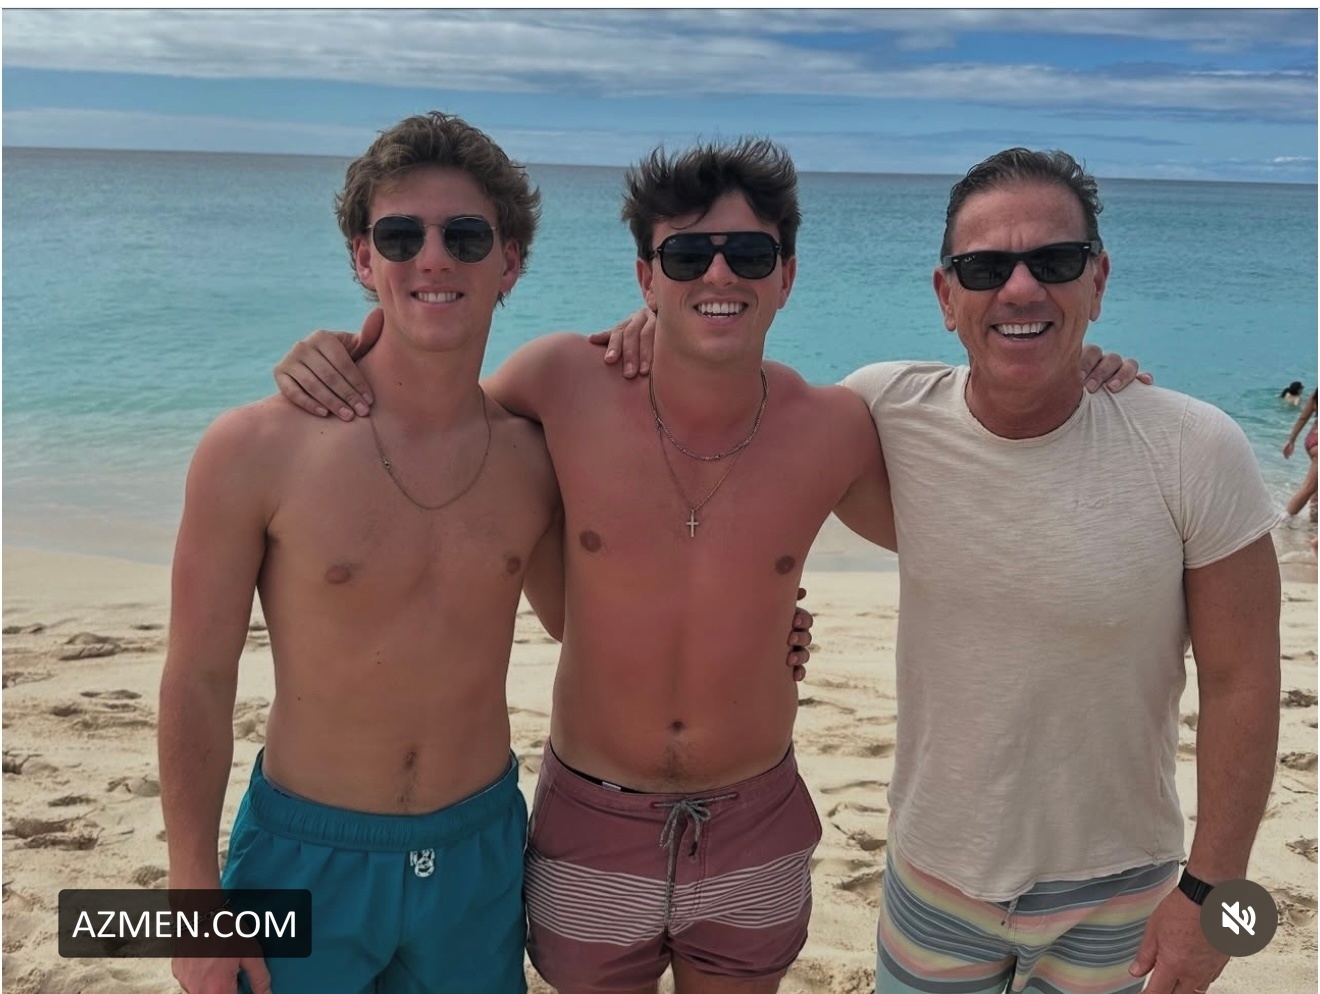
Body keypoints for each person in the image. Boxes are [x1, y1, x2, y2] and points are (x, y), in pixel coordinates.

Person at [273, 138, 1145, 994]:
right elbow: (437, 439)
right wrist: (342, 354)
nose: (719, 274)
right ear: (647, 277)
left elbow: (976, 489)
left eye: (749, 255)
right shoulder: (560, 381)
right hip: (592, 813)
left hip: (753, 814)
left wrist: (1064, 373)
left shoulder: (833, 427)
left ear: (787, 276)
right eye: (688, 256)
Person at [839, 149, 1280, 994]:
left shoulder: (1193, 447)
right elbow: (739, 442)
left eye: (1055, 262)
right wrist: (652, 334)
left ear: (1097, 280)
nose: (1021, 289)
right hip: (935, 874)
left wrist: (1214, 897)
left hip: (1123, 894)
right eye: (985, 268)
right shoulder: (881, 413)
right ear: (945, 296)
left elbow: (1245, 681)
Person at [158, 111, 564, 994]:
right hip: (304, 853)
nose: (433, 259)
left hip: (477, 854)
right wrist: (192, 900)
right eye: (400, 236)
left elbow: (595, 613)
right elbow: (197, 676)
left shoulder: (536, 459)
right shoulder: (255, 449)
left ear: (510, 262)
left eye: (465, 236)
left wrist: (770, 624)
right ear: (361, 259)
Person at [1281, 387, 1318, 523]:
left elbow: (1303, 417)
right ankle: (1282, 521)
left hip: (1312, 439)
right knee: (1309, 487)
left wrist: (1291, 439)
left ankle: (1314, 523)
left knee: (1316, 486)